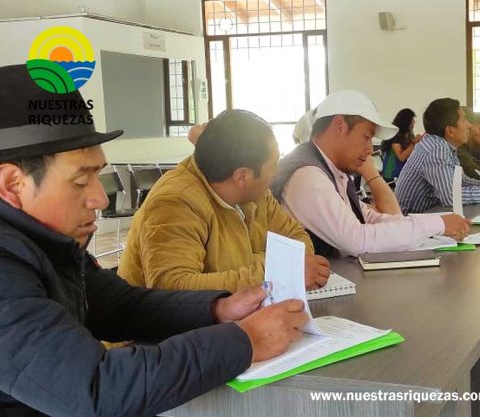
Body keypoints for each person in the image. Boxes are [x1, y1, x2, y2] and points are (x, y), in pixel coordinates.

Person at [0, 64, 307, 415]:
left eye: (98, 176)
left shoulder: (48, 242)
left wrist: (218, 309)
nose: (100, 199)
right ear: (13, 185)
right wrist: (245, 341)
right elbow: (97, 389)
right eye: (81, 181)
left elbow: (119, 306)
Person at [119, 110, 331, 292]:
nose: (277, 172)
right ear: (242, 177)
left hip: (233, 321)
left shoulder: (256, 194)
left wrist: (239, 272)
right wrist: (279, 273)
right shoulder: (175, 202)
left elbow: (298, 240)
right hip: (154, 337)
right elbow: (173, 288)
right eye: (274, 164)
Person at [271, 90, 471, 257]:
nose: (369, 149)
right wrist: (437, 224)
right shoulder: (307, 176)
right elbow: (357, 240)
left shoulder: (333, 172)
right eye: (366, 137)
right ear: (340, 126)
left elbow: (370, 218)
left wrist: (436, 228)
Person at [395, 98, 480, 214]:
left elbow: (460, 181)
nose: (469, 125)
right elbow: (450, 197)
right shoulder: (436, 149)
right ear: (450, 130)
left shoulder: (445, 146)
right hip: (413, 223)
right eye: (464, 120)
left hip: (429, 216)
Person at [380, 108, 422, 181]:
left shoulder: (408, 134)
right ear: (406, 122)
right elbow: (401, 157)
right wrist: (414, 143)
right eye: (412, 120)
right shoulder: (395, 136)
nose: (414, 122)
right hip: (392, 175)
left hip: (403, 172)